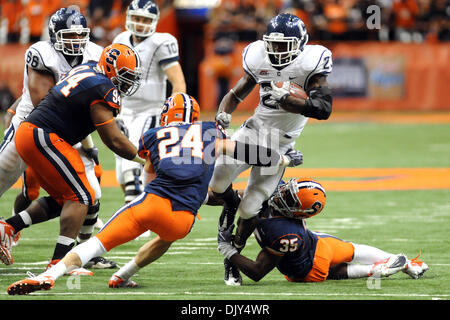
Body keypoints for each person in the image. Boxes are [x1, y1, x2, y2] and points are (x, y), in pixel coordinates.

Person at [5, 93, 303, 294]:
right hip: (183, 219)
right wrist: (284, 159)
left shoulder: (155, 135)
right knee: (166, 237)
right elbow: (249, 153)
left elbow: (149, 174)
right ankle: (123, 275)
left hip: (153, 202)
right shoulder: (211, 132)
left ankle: (50, 275)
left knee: (97, 243)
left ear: (166, 114)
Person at [209, 13, 333, 285]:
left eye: (283, 45)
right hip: (252, 133)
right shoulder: (257, 57)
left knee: (250, 207)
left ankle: (232, 258)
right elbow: (236, 93)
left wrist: (292, 102)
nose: (276, 51)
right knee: (216, 188)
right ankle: (231, 203)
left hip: (281, 143)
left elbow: (324, 109)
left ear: (300, 44)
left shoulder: (310, 63)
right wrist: (223, 115)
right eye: (273, 45)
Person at [0, 43, 143, 275]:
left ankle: (8, 227)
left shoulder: (87, 69)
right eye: (126, 76)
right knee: (82, 196)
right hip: (44, 136)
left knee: (65, 197)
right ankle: (59, 263)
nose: (129, 83)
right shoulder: (103, 87)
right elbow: (114, 139)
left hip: (35, 134)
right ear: (111, 69)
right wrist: (144, 159)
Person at [217, 178, 429, 284]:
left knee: (335, 271)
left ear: (296, 211)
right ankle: (409, 264)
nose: (281, 194)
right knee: (352, 249)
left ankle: (377, 271)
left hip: (310, 268)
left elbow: (257, 272)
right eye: (287, 190)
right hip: (319, 243)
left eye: (289, 197)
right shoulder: (284, 207)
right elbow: (238, 196)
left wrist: (228, 250)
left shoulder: (283, 232)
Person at [112, 0, 187, 207]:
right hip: (125, 110)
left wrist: (175, 114)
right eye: (136, 18)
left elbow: (178, 81)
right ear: (128, 18)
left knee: (132, 162)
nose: (140, 24)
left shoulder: (161, 42)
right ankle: (138, 206)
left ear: (154, 21)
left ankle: (137, 216)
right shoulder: (120, 39)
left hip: (150, 111)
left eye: (145, 20)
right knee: (122, 173)